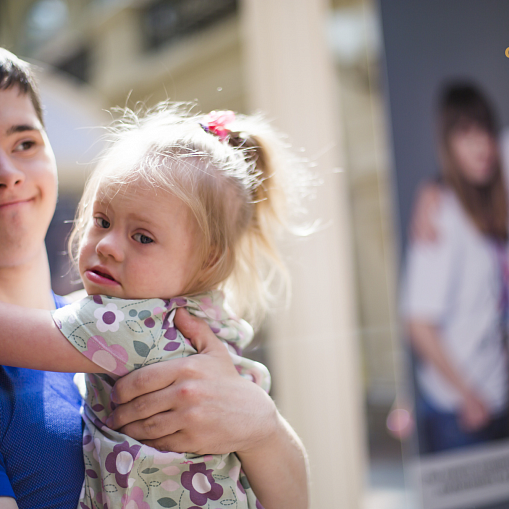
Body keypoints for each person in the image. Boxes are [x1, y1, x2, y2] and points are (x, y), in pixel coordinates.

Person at [0, 48, 308, 509]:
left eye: (24, 143)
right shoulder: (185, 315)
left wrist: (263, 427)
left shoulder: (115, 323)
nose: (8, 175)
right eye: (102, 221)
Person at [402, 83, 509, 454]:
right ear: (448, 145)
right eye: (465, 134)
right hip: (461, 414)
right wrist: (469, 397)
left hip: (496, 396)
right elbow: (417, 323)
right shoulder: (442, 217)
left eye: (485, 131)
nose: (481, 146)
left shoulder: (494, 195)